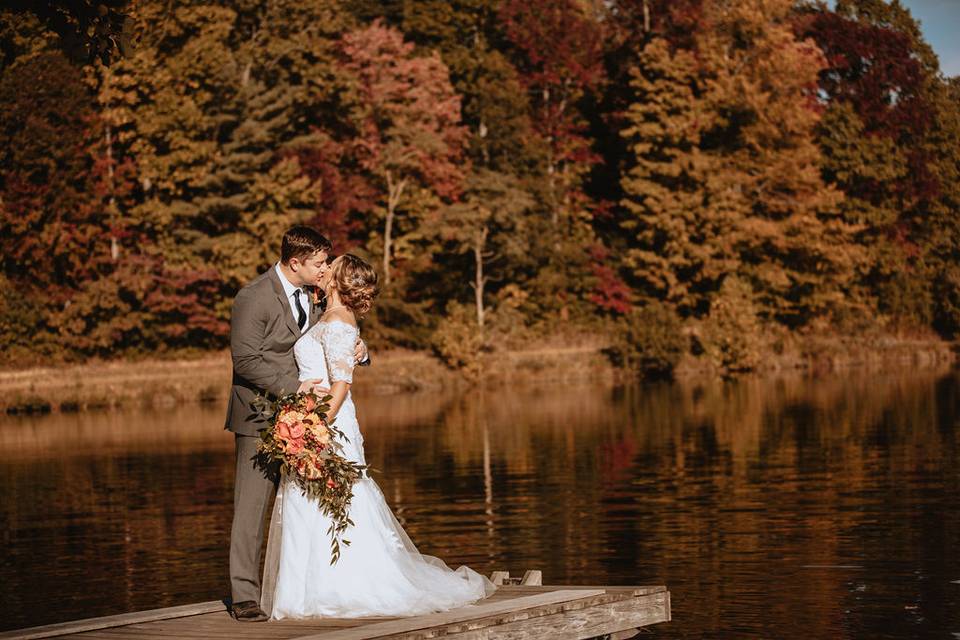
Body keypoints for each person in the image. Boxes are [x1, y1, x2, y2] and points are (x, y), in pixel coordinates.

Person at [260, 254, 494, 619]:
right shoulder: (327, 314)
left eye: (328, 266)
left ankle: (344, 587)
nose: (322, 270)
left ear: (336, 279)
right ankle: (308, 592)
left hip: (327, 422)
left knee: (337, 497)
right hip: (312, 416)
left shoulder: (337, 322)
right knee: (309, 499)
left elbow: (340, 384)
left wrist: (315, 429)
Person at [225, 226, 367, 622]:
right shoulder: (253, 297)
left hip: (311, 419)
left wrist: (362, 347)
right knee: (252, 509)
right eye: (319, 263)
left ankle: (314, 587)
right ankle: (244, 597)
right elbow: (246, 360)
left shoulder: (318, 295)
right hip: (259, 416)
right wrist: (294, 389)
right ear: (295, 262)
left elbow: (335, 334)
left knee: (307, 506)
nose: (325, 270)